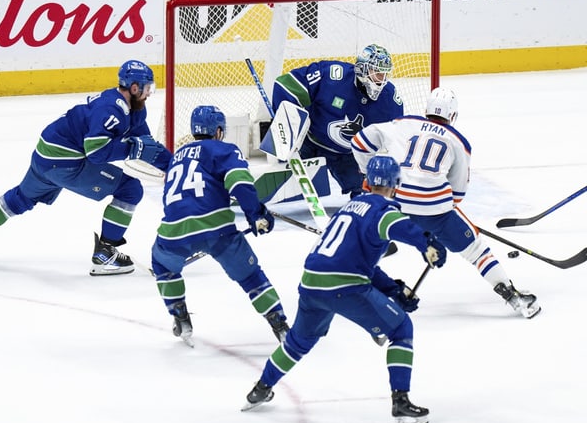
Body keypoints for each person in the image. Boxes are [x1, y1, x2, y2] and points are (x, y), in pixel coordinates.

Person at [241, 155, 446, 423]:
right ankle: (401, 404)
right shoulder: (382, 209)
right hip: (344, 287)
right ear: (396, 184)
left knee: (298, 342)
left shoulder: (349, 207)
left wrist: (394, 289)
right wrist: (426, 243)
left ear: (367, 181)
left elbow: (361, 265)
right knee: (401, 329)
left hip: (311, 283)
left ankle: (261, 388)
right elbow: (399, 227)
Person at [0, 59, 171, 276]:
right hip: (65, 162)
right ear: (134, 87)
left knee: (20, 198)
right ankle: (105, 253)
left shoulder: (134, 109)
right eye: (148, 87)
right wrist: (132, 150)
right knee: (129, 189)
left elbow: (148, 145)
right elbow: (96, 153)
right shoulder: (111, 110)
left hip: (45, 155)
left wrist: (174, 166)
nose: (150, 92)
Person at [351, 87, 541, 319]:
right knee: (476, 249)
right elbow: (458, 193)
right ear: (453, 116)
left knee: (371, 244)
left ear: (426, 110)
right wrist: (440, 215)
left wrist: (368, 175)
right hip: (435, 209)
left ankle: (355, 290)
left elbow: (359, 142)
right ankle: (513, 297)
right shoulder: (459, 142)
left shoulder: (403, 123)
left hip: (395, 202)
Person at [151, 105, 290, 347]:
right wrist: (255, 213)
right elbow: (239, 182)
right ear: (218, 131)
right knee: (250, 277)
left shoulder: (177, 157)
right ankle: (279, 324)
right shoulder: (223, 149)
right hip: (216, 229)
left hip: (172, 232)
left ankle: (180, 318)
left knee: (162, 265)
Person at [269, 43, 404, 198]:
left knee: (368, 194)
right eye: (378, 73)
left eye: (385, 74)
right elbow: (286, 85)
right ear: (362, 69)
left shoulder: (390, 99)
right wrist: (285, 127)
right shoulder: (333, 76)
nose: (382, 80)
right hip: (308, 143)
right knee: (280, 189)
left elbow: (396, 139)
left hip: (348, 156)